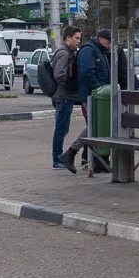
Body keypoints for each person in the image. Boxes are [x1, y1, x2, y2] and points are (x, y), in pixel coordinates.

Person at [57, 29, 116, 174]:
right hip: (92, 96)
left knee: (95, 127)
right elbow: (87, 74)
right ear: (101, 39)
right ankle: (71, 152)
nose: (109, 46)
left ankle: (94, 160)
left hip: (98, 95)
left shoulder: (99, 51)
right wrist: (99, 89)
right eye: (108, 42)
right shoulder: (88, 51)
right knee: (93, 127)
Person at [50, 26, 82, 170]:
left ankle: (58, 158)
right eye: (77, 38)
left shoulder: (67, 52)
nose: (78, 41)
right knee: (61, 129)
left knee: (63, 128)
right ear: (68, 38)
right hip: (63, 96)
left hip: (64, 96)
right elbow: (59, 75)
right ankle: (57, 159)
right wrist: (70, 85)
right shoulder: (64, 53)